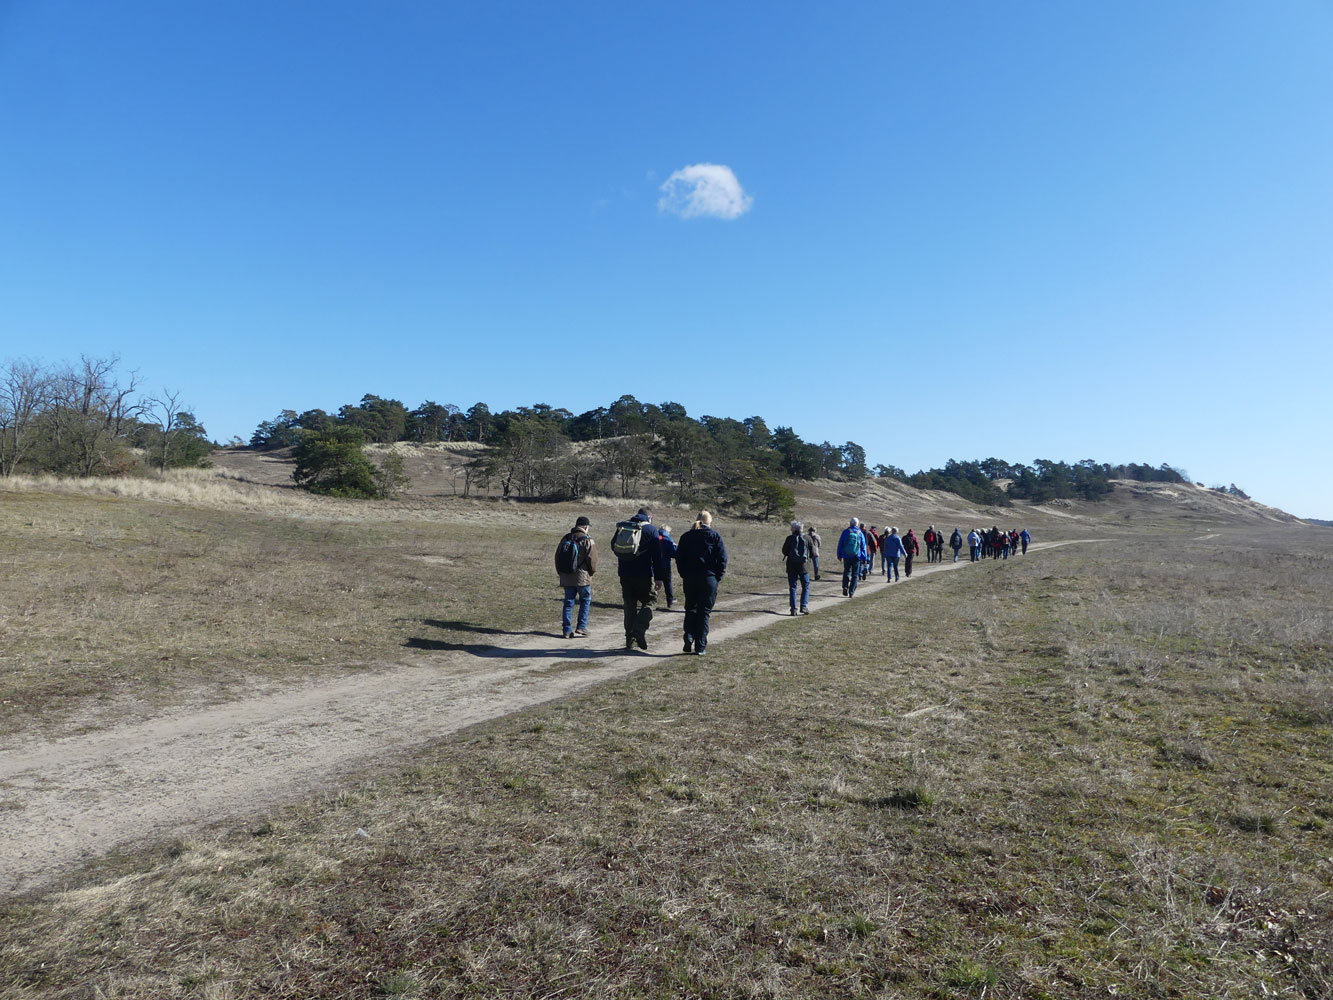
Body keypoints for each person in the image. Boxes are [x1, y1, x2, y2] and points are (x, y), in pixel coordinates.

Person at [612, 506, 668, 651]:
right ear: (650, 517)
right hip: (644, 574)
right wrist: (659, 577)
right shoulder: (651, 530)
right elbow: (657, 556)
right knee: (650, 601)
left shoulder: (624, 526)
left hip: (624, 573)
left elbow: (614, 546)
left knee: (629, 605)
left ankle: (629, 641)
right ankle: (638, 629)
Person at [675, 510, 728, 655]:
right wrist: (718, 576)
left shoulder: (686, 536)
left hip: (690, 578)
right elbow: (723, 559)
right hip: (708, 578)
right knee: (704, 612)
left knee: (690, 608)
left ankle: (689, 636)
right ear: (709, 521)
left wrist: (683, 574)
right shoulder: (715, 536)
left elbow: (679, 558)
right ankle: (700, 646)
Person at [555, 515, 598, 638]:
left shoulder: (566, 538)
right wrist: (591, 573)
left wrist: (561, 573)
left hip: (566, 576)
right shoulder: (588, 540)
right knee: (585, 600)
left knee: (568, 602)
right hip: (582, 578)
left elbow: (557, 556)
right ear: (585, 527)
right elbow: (593, 560)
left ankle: (567, 630)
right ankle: (581, 627)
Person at [781, 520, 812, 615]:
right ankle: (803, 606)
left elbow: (784, 551)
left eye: (791, 527)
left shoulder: (789, 538)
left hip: (791, 566)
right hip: (804, 566)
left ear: (794, 529)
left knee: (793, 587)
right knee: (805, 586)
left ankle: (793, 609)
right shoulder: (807, 538)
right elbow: (812, 552)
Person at [837, 517, 867, 597]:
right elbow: (863, 546)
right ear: (857, 524)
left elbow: (841, 544)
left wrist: (839, 555)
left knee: (846, 571)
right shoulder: (860, 533)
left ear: (850, 523)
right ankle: (851, 592)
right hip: (857, 556)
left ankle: (845, 586)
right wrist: (865, 558)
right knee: (855, 575)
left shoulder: (845, 532)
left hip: (846, 555)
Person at [658, 524, 677, 609]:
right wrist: (675, 546)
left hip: (654, 564)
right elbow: (674, 554)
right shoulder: (668, 539)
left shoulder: (654, 537)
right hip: (665, 565)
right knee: (667, 583)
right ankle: (670, 601)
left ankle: (650, 600)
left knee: (654, 582)